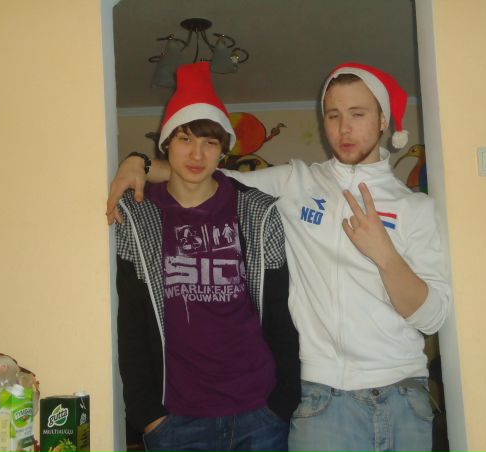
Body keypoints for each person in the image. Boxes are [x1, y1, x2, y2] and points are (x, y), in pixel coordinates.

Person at [108, 62, 451, 452]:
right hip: (321, 398)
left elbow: (432, 317)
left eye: (358, 114)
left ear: (383, 120)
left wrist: (385, 255)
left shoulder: (415, 208)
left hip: (403, 392)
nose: (344, 129)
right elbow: (206, 177)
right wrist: (139, 162)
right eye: (333, 115)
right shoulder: (296, 182)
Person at [114, 61, 299, 452]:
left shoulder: (257, 212)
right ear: (166, 144)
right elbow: (130, 325)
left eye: (210, 143)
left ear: (222, 151)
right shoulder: (138, 216)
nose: (196, 154)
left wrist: (282, 402)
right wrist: (147, 415)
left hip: (259, 414)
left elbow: (280, 315)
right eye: (185, 139)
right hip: (175, 421)